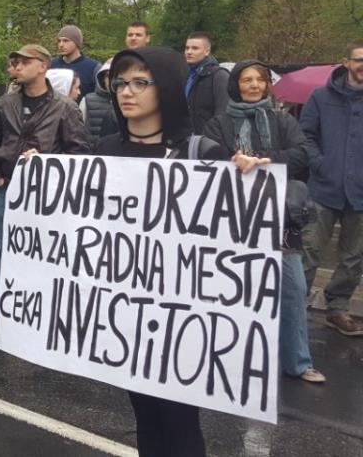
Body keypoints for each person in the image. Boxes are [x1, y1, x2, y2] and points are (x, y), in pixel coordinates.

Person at [95, 45, 227, 457]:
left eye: (140, 82)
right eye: (120, 83)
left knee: (180, 419)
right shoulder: (105, 150)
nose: (126, 92)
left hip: (181, 315)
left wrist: (248, 178)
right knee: (145, 415)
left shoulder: (202, 153)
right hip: (129, 313)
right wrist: (36, 171)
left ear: (166, 87)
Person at [203, 60, 324, 382]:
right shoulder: (219, 123)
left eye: (260, 79)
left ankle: (297, 362)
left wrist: (266, 161)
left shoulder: (283, 120)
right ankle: (230, 357)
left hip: (279, 218)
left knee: (293, 288)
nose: (254, 85)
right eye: (246, 80)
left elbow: (301, 155)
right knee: (231, 290)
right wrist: (233, 161)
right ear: (236, 85)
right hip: (234, 218)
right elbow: (208, 157)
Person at [0, 44, 88, 331]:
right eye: (14, 61)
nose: (16, 66)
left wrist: (46, 161)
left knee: (44, 255)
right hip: (8, 190)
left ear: (43, 66)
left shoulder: (65, 108)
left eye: (24, 61)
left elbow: (79, 152)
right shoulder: (4, 104)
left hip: (47, 197)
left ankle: (39, 313)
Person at [300, 41, 363, 337]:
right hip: (323, 190)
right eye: (359, 59)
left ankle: (337, 309)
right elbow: (306, 135)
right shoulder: (321, 97)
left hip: (360, 195)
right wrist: (320, 164)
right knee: (309, 252)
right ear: (346, 62)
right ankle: (295, 306)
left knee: (353, 258)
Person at [183, 31, 229, 133]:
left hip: (209, 141)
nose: (189, 52)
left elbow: (223, 113)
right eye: (187, 48)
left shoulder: (219, 75)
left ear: (207, 51)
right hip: (186, 141)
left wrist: (211, 140)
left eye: (195, 48)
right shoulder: (185, 75)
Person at [50, 25, 99, 98]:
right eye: (59, 41)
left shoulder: (93, 67)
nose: (61, 45)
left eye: (66, 41)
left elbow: (100, 97)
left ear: (77, 43)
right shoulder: (51, 65)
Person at [78, 58, 118, 145]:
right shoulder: (87, 100)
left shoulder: (130, 101)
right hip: (93, 153)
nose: (111, 80)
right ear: (103, 78)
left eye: (115, 76)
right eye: (108, 75)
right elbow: (79, 131)